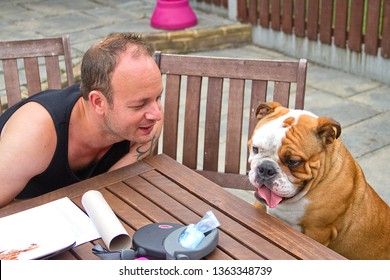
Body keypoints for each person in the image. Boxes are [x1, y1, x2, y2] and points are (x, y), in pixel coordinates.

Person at [0, 33, 163, 208]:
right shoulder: (33, 133)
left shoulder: (145, 125)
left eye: (157, 97)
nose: (157, 114)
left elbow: (108, 190)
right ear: (98, 102)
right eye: (139, 105)